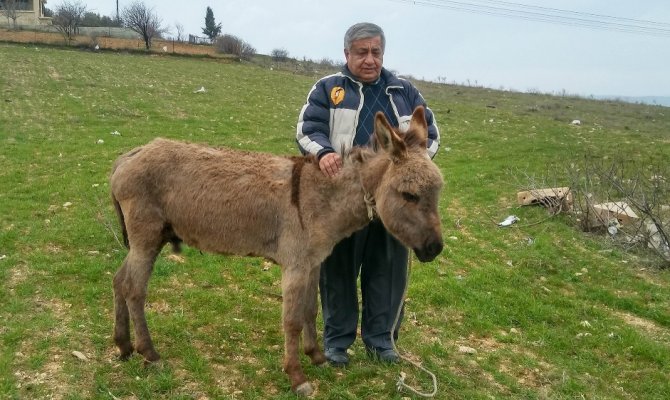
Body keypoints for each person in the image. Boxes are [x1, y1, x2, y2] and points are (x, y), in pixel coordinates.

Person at [295, 22, 440, 366]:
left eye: (376, 52)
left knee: (388, 272)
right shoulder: (329, 89)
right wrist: (324, 153)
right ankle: (337, 342)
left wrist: (410, 167)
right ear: (347, 54)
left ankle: (382, 341)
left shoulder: (403, 91)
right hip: (344, 201)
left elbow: (429, 134)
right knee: (338, 271)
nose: (370, 59)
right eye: (362, 52)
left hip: (395, 202)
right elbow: (308, 129)